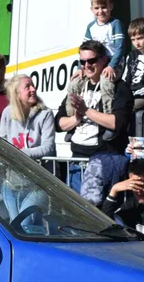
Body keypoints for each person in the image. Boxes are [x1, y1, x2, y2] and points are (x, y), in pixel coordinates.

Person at [56, 41, 133, 205]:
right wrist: (76, 118)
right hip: (77, 162)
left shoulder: (119, 87)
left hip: (103, 161)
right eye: (82, 62)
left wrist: (86, 111)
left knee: (96, 213)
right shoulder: (77, 86)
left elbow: (118, 122)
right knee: (76, 212)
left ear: (104, 59)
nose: (86, 66)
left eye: (91, 61)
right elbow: (59, 123)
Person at [0, 74, 55, 160]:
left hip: (40, 170)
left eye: (33, 85)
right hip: (15, 169)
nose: (33, 89)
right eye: (27, 87)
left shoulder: (45, 113)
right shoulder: (7, 112)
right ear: (16, 93)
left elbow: (48, 147)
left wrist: (19, 153)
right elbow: (2, 142)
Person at [83, 0, 126, 80]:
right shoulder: (91, 27)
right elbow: (84, 50)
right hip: (97, 63)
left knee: (105, 80)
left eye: (104, 7)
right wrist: (80, 68)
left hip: (114, 62)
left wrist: (111, 66)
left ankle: (107, 95)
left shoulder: (115, 24)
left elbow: (120, 47)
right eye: (97, 8)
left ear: (111, 6)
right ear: (91, 9)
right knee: (76, 82)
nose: (100, 11)